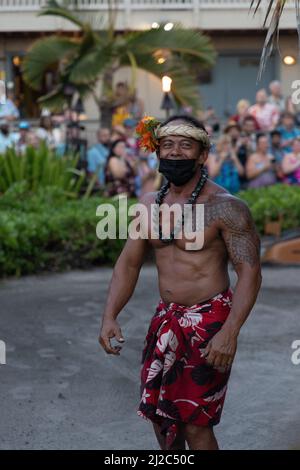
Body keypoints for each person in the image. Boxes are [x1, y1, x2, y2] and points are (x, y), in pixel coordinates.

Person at [99, 114, 262, 450]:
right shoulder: (148, 204)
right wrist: (109, 315)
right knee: (161, 419)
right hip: (166, 320)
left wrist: (229, 332)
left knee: (195, 425)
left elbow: (250, 273)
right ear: (157, 152)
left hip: (210, 324)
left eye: (185, 145)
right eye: (167, 145)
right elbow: (128, 265)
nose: (174, 153)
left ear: (202, 155)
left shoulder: (226, 208)